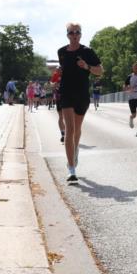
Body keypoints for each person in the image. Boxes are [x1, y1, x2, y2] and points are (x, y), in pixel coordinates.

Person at [57, 23, 102, 182]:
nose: (74, 35)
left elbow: (100, 71)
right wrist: (59, 72)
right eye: (71, 32)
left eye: (77, 32)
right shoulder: (61, 52)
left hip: (82, 94)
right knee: (69, 129)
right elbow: (64, 70)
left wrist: (87, 66)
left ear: (81, 34)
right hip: (66, 93)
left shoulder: (87, 52)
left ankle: (75, 150)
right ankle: (71, 169)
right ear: (67, 35)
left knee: (76, 129)